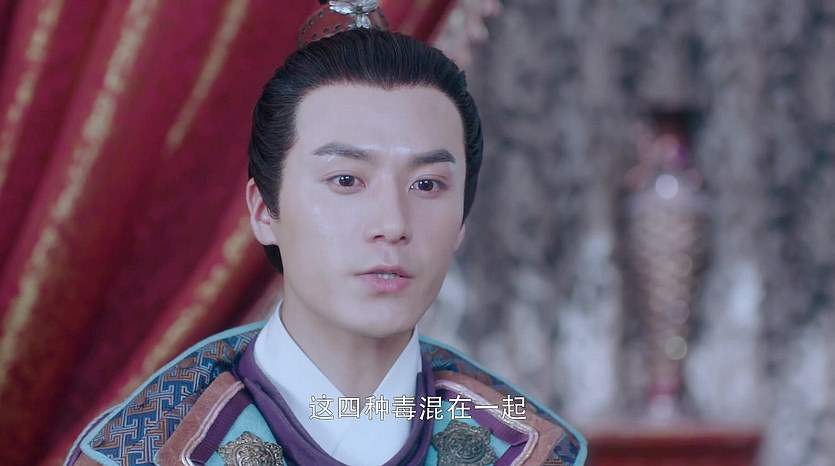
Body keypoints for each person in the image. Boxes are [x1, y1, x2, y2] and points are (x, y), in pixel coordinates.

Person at [66, 2, 586, 465]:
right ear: (264, 211)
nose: (392, 224)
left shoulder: (525, 447)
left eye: (427, 184)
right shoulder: (148, 449)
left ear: (462, 222)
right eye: (346, 180)